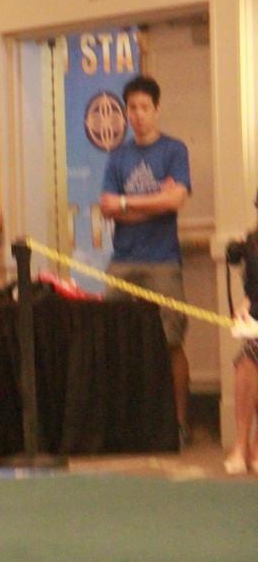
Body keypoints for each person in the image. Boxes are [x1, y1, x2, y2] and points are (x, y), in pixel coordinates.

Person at [98, 75, 193, 447]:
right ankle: (121, 426)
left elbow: (175, 201)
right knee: (112, 341)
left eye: (143, 108)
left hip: (163, 262)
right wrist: (153, 202)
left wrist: (127, 203)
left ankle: (180, 424)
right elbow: (107, 208)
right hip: (122, 261)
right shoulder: (118, 156)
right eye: (131, 108)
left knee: (171, 342)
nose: (137, 115)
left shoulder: (174, 150)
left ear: (156, 109)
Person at [224, 190, 258, 475]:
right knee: (247, 360)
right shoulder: (253, 243)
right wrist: (245, 307)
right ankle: (241, 445)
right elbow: (252, 291)